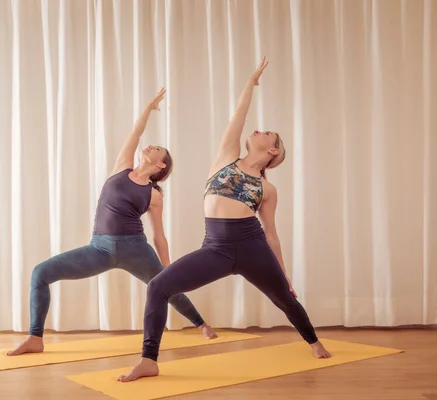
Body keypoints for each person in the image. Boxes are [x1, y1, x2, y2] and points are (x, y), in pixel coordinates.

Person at [118, 57, 331, 381]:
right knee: (159, 286)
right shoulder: (226, 157)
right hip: (215, 248)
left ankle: (313, 341)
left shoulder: (267, 188)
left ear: (272, 151)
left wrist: (284, 273)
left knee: (285, 298)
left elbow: (271, 233)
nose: (257, 129)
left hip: (252, 246)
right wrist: (250, 83)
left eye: (267, 133)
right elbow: (239, 116)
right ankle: (149, 359)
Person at [7, 88, 217, 356]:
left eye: (159, 149)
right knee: (40, 273)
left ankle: (201, 324)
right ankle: (35, 338)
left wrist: (167, 266)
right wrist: (148, 108)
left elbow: (159, 235)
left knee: (167, 286)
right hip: (99, 249)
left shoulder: (154, 195)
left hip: (136, 250)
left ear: (161, 166)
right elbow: (136, 133)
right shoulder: (122, 167)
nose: (151, 145)